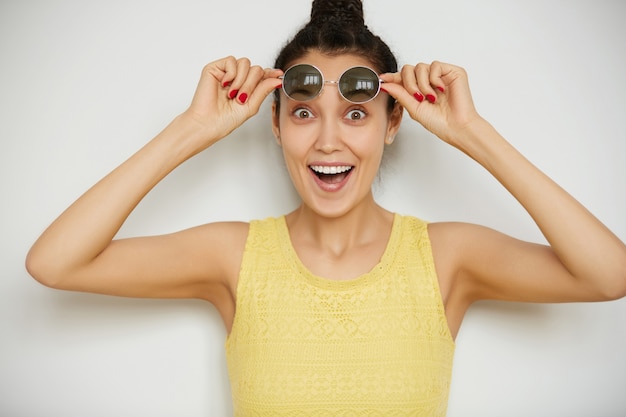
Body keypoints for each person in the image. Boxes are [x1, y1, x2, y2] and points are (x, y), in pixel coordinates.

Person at [25, 0, 625, 415]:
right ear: (277, 124)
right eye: (304, 112)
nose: (329, 141)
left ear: (395, 123)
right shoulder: (234, 257)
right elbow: (55, 263)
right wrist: (192, 128)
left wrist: (472, 132)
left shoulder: (446, 258)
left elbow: (609, 274)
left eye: (357, 114)